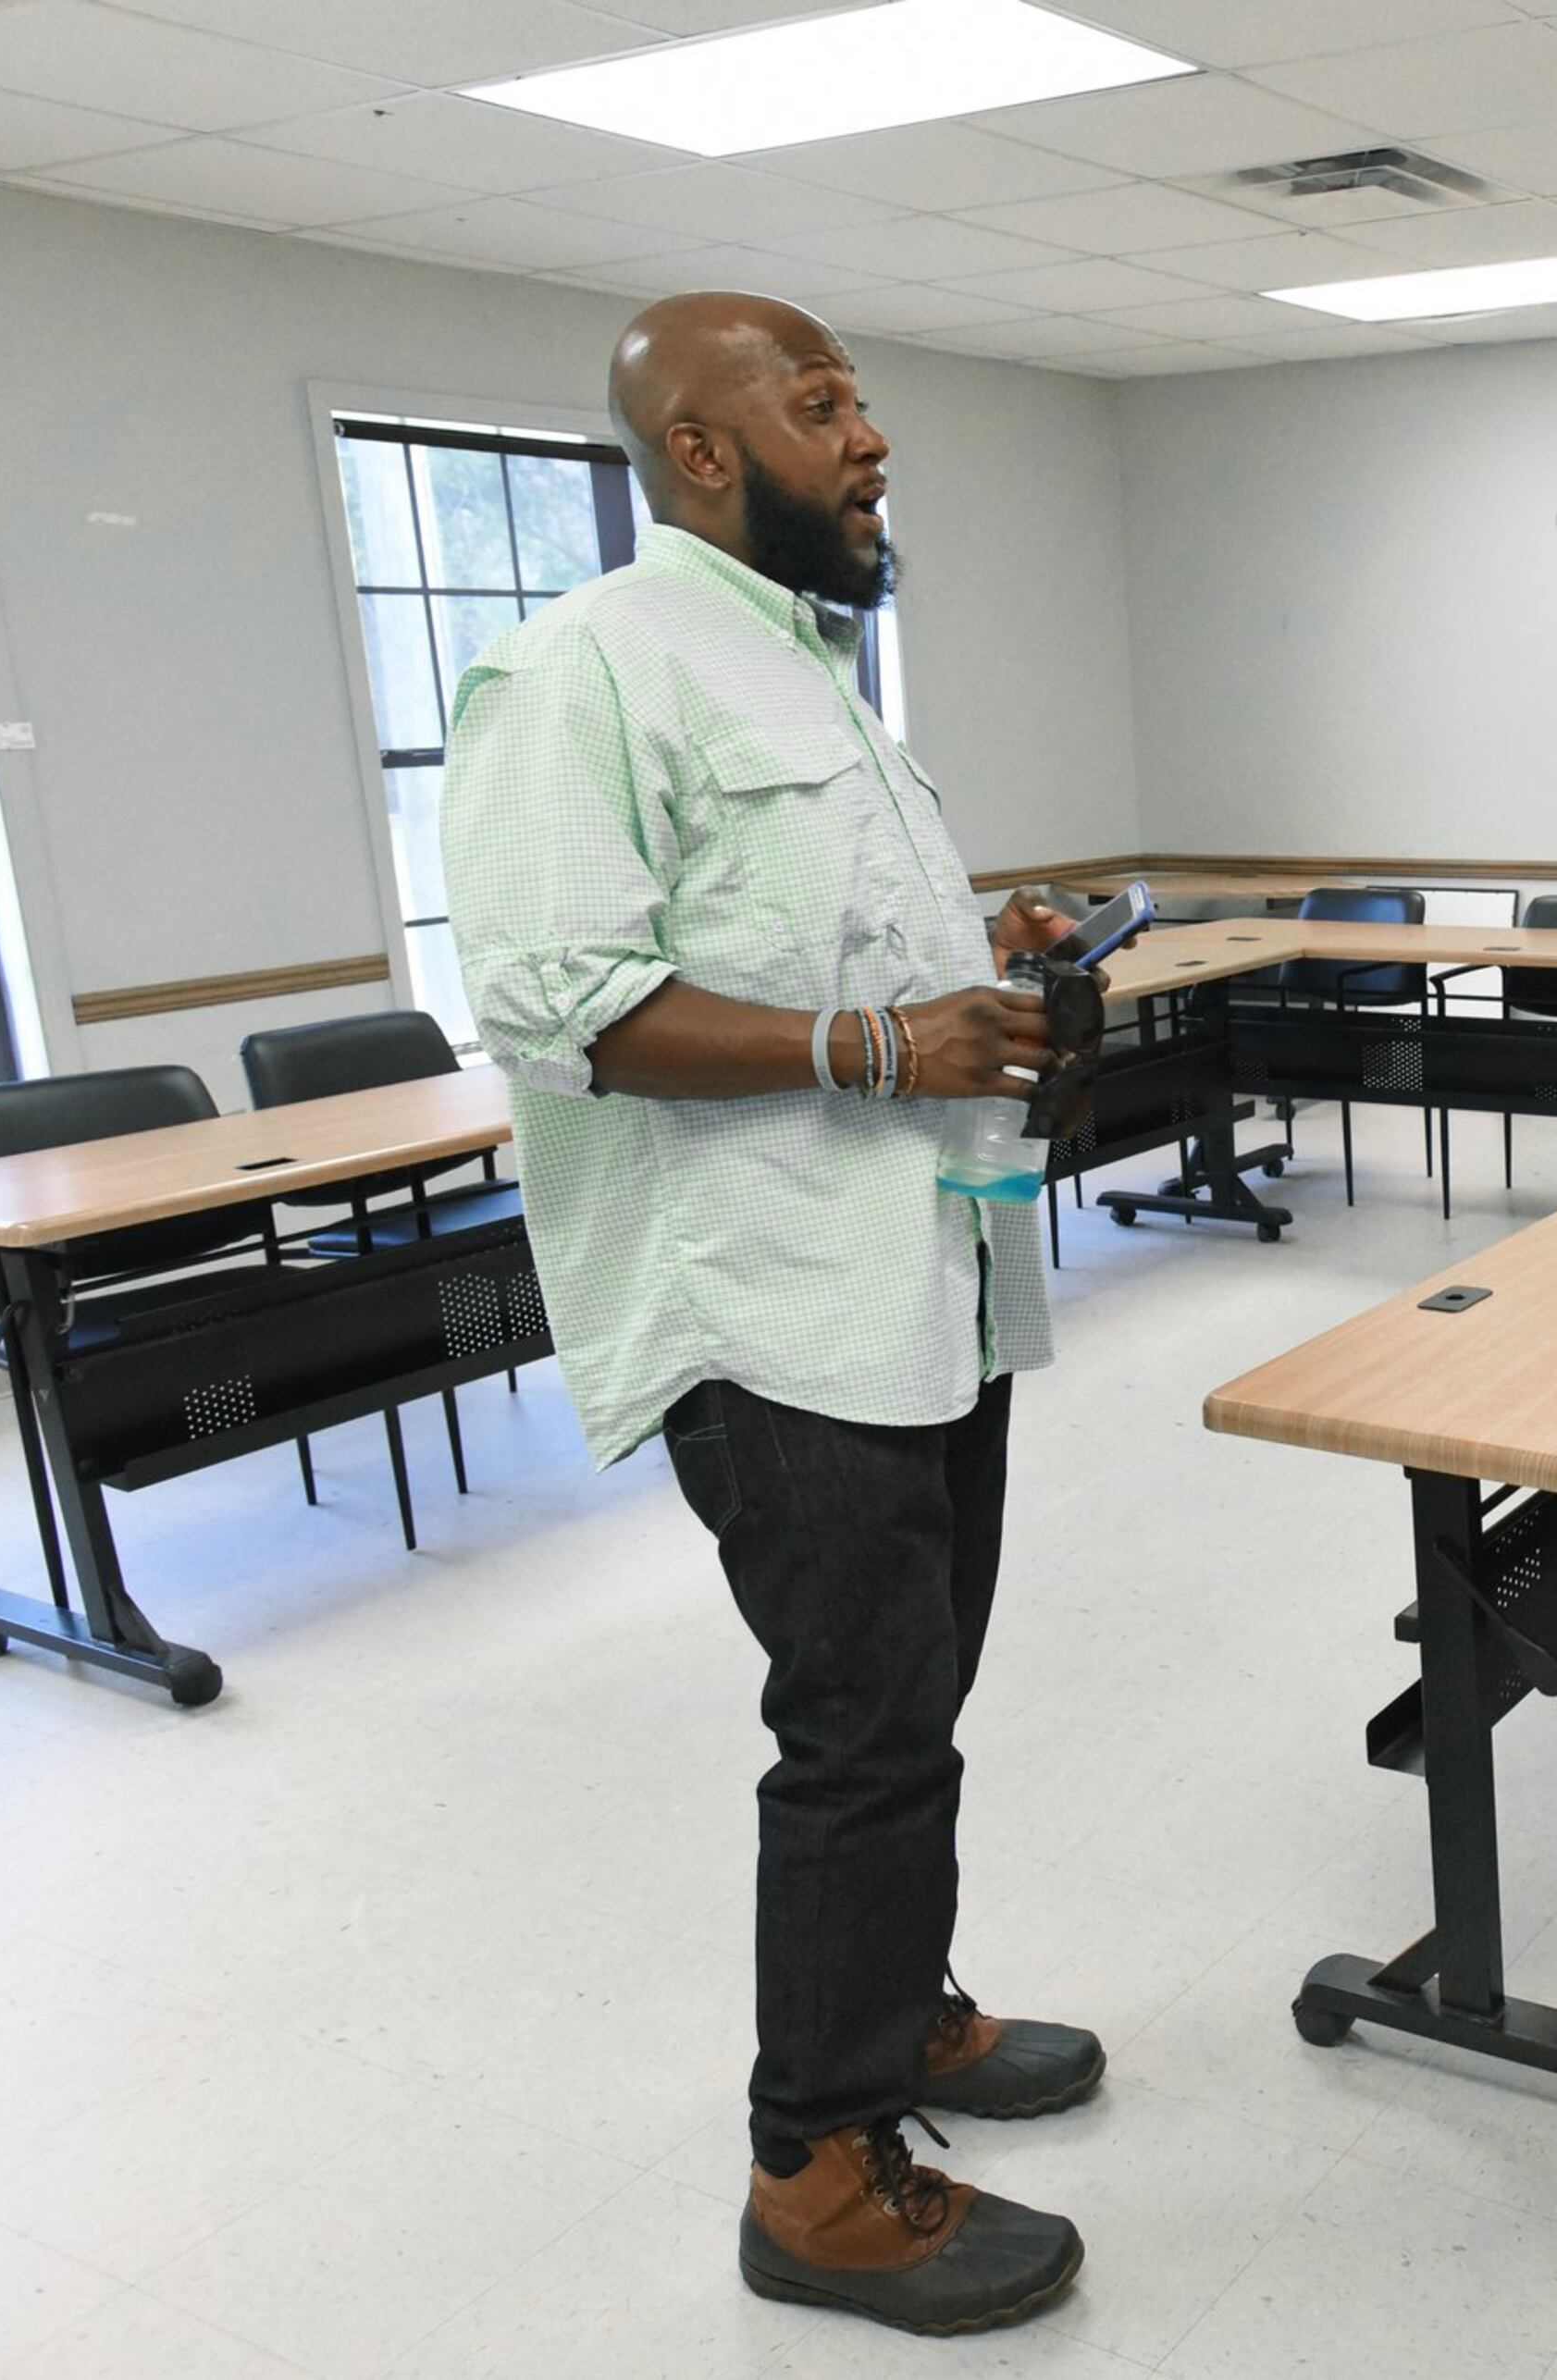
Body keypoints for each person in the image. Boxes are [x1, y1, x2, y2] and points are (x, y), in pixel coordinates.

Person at [441, 291, 1103, 2335]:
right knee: (862, 1734)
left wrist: (971, 949)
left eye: (863, 396)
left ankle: (891, 2015)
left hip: (920, 1286)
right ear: (703, 451)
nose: (872, 434)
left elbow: (809, 947)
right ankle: (814, 2166)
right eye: (822, 406)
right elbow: (558, 1004)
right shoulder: (582, 671)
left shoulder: (805, 668)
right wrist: (881, 1041)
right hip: (771, 1310)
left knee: (916, 1707)